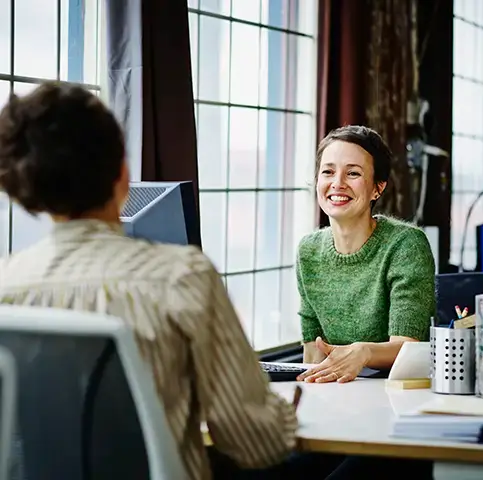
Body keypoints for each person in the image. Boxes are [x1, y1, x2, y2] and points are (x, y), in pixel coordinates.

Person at [0, 82, 298, 480]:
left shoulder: (6, 285)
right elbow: (256, 443)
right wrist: (283, 412)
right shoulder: (182, 277)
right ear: (122, 174)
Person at [296, 125, 436, 384]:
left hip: (397, 393)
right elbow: (313, 354)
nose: (337, 183)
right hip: (338, 393)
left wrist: (364, 351)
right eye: (327, 171)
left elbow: (409, 349)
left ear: (377, 188)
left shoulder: (406, 245)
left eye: (353, 173)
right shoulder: (308, 251)